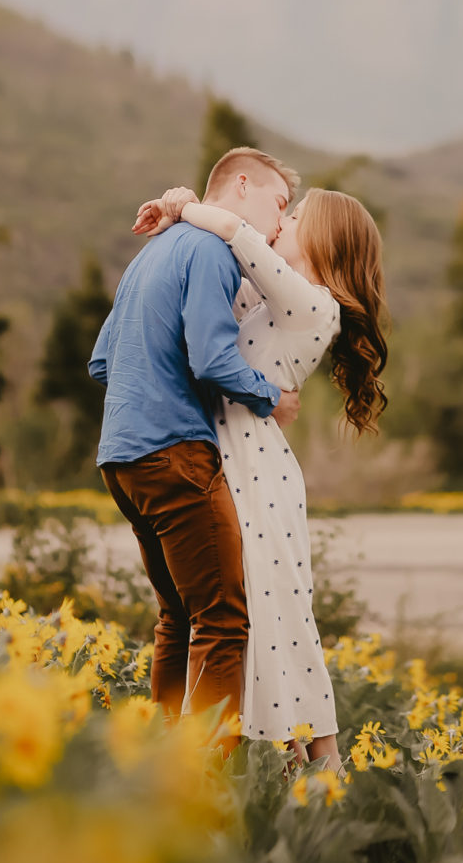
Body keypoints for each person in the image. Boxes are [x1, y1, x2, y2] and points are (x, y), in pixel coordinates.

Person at [131, 177, 388, 774]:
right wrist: (180, 207)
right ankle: (290, 768)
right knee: (251, 622)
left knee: (280, 621)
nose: (284, 222)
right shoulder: (268, 297)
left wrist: (192, 207)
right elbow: (213, 272)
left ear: (325, 241)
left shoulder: (313, 304)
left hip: (256, 473)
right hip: (225, 457)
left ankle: (324, 771)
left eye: (297, 215)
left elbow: (232, 231)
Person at [88, 148, 302, 753]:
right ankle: (207, 786)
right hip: (174, 454)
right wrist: (271, 395)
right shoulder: (212, 252)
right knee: (223, 617)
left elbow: (103, 358)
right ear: (240, 185)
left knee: (177, 617)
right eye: (278, 205)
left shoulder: (152, 253)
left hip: (119, 458)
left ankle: (162, 763)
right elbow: (212, 358)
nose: (280, 224)